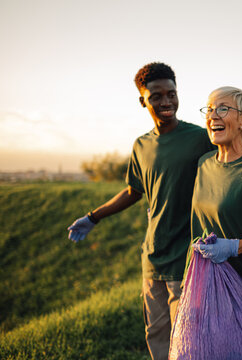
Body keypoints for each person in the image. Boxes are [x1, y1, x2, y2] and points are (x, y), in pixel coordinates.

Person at [67, 62, 214, 360]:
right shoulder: (141, 145)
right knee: (157, 335)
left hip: (187, 256)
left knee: (187, 339)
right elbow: (135, 190)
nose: (166, 102)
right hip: (153, 256)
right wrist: (94, 216)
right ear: (142, 100)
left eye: (171, 94)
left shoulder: (200, 138)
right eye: (157, 96)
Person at [190, 86, 242, 294]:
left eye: (223, 109)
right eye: (209, 109)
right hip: (202, 285)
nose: (213, 116)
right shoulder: (203, 163)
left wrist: (235, 247)